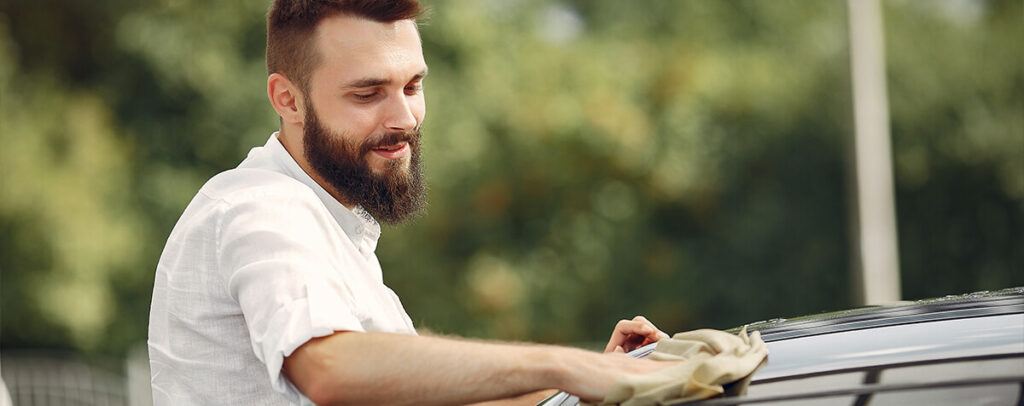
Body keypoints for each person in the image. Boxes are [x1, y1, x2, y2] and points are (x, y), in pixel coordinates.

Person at [148, 1, 673, 404]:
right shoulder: (261, 210)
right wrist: (564, 367)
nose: (405, 118)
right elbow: (329, 368)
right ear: (288, 99)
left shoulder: (334, 225)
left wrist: (589, 383)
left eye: (413, 85)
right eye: (368, 93)